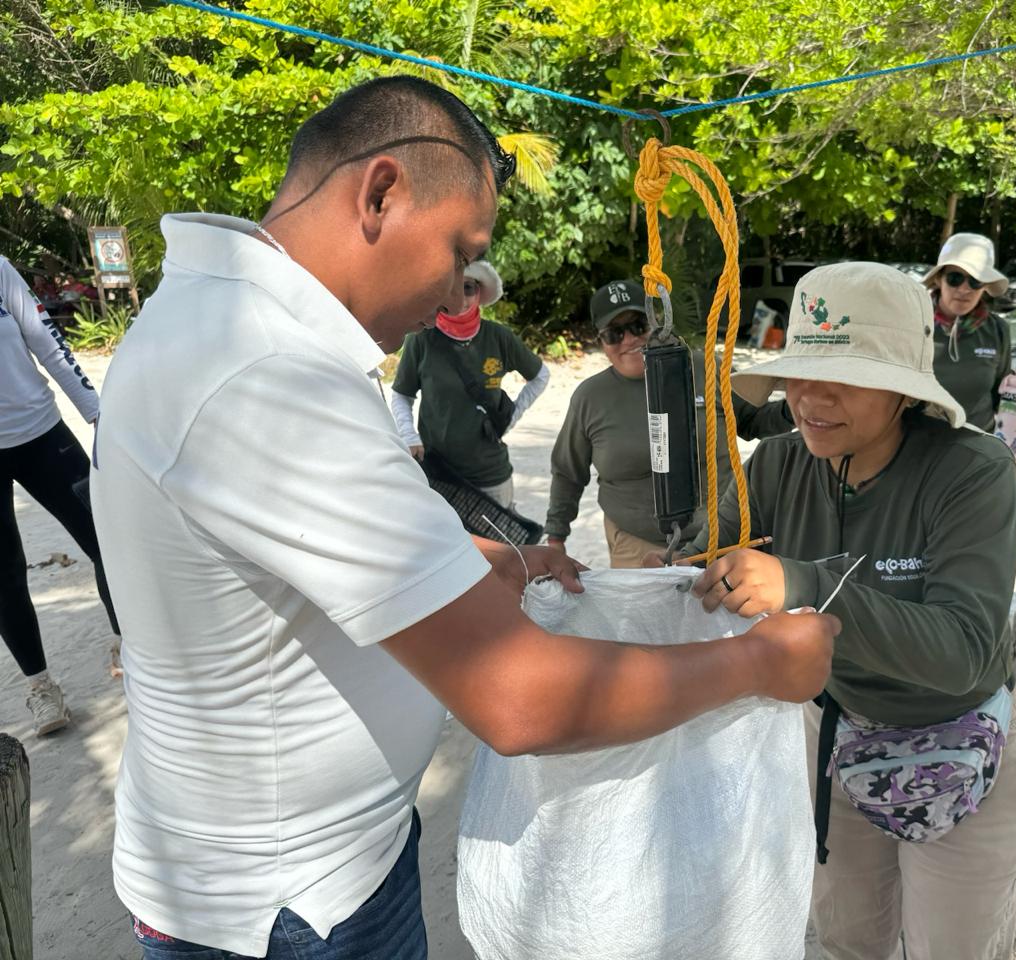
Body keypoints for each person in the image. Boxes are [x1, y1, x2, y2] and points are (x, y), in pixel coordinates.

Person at [92, 75, 837, 960]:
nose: (458, 289)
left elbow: (292, 563)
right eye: (460, 251)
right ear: (380, 194)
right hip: (292, 907)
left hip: (303, 866)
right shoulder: (265, 378)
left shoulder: (218, 324)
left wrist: (485, 562)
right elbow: (519, 698)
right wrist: (758, 663)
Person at [681, 263, 1016, 960]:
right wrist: (637, 582)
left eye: (845, 376)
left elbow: (964, 649)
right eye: (800, 374)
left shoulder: (973, 472)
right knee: (846, 940)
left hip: (962, 741)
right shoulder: (778, 465)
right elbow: (701, 560)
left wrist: (805, 583)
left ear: (904, 389)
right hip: (836, 738)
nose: (811, 398)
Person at [545, 279, 794, 567]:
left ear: (656, 323)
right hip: (638, 545)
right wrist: (556, 538)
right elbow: (568, 472)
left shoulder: (705, 368)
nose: (629, 339)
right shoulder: (590, 397)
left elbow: (754, 420)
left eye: (638, 325)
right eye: (614, 333)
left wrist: (796, 406)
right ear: (601, 342)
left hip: (721, 536)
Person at [0, 254, 121, 737]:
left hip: (42, 434)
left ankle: (131, 647)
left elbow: (47, 340)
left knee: (106, 536)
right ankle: (41, 687)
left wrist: (97, 413)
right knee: (4, 575)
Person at [390, 259, 547, 508]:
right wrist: (409, 435)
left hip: (490, 475)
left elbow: (540, 376)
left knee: (499, 535)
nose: (460, 298)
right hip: (438, 474)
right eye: (452, 287)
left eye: (468, 288)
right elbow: (402, 394)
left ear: (480, 293)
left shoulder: (499, 337)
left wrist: (512, 417)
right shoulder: (422, 338)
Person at [921, 232, 1012, 432]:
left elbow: (1005, 394)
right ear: (939, 279)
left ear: (985, 286)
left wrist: (1012, 437)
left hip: (978, 444)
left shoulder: (998, 330)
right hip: (919, 442)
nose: (964, 289)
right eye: (955, 278)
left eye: (975, 281)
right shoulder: (915, 323)